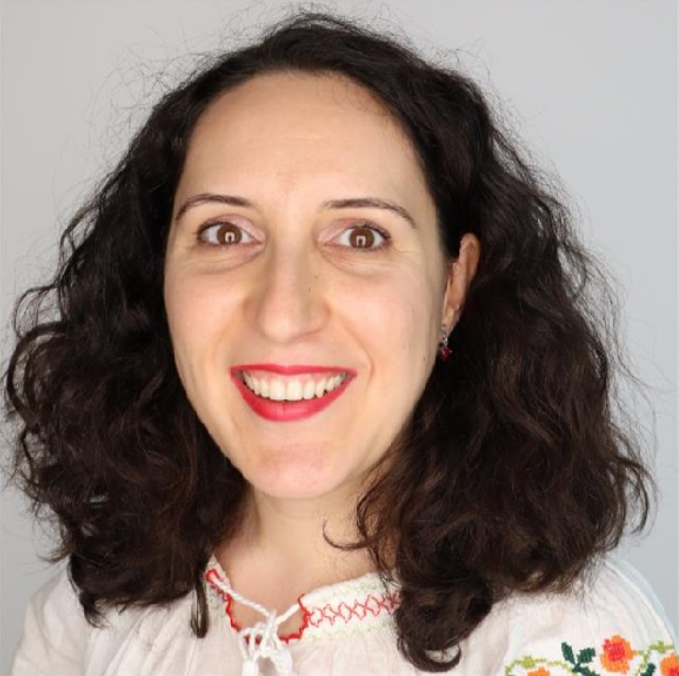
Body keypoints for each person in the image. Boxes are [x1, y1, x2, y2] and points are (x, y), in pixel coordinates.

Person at [4, 10, 676, 676]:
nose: (282, 313)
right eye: (225, 232)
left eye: (361, 236)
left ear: (451, 286)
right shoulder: (90, 609)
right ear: (159, 276)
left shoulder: (576, 642)